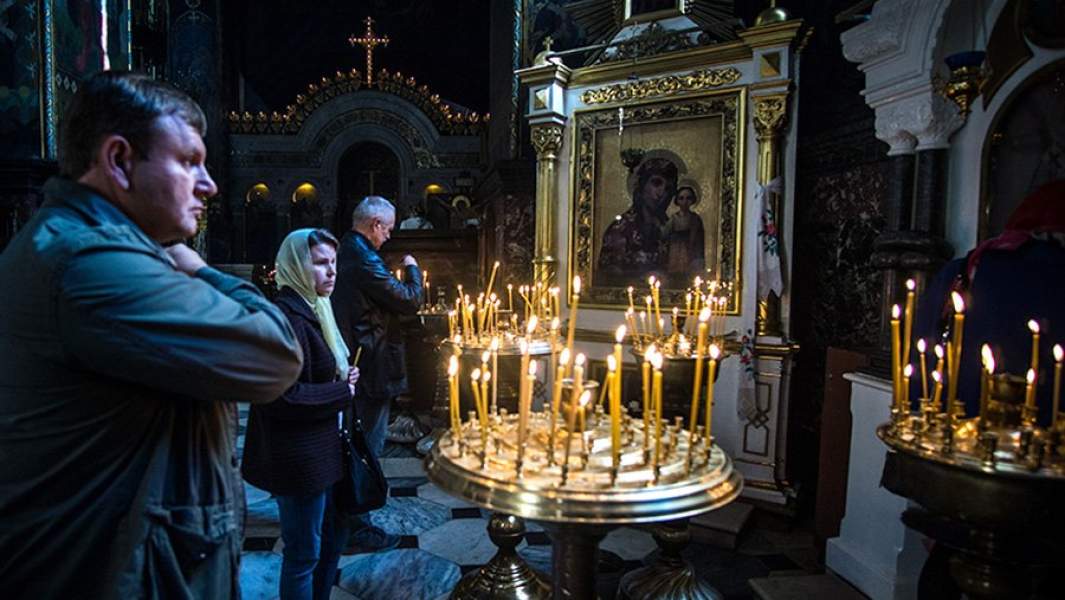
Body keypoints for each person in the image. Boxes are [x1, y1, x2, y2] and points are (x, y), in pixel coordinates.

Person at [0, 71, 304, 597]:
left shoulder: (94, 245)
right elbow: (276, 355)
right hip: (115, 571)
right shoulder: (90, 263)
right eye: (189, 161)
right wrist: (202, 271)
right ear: (119, 161)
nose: (208, 185)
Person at [242, 228, 359, 600]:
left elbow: (319, 369)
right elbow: (280, 397)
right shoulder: (286, 318)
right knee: (303, 554)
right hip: (298, 459)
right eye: (320, 263)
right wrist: (342, 390)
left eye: (333, 263)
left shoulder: (315, 307)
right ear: (294, 265)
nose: (331, 272)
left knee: (328, 541)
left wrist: (343, 373)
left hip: (323, 452)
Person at [912, 179, 1065, 425]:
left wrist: (917, 414)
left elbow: (921, 348)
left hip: (947, 421)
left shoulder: (965, 267)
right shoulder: (1053, 272)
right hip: (1033, 434)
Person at [331, 195, 423, 552]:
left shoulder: (351, 251)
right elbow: (408, 299)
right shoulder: (362, 256)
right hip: (370, 364)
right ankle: (356, 526)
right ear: (375, 225)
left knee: (363, 441)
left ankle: (351, 515)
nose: (389, 237)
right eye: (388, 229)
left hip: (364, 359)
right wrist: (413, 268)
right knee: (366, 445)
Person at [597, 157, 678, 287]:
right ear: (642, 185)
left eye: (668, 188)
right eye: (656, 183)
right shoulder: (620, 228)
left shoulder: (671, 227)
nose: (661, 192)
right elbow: (608, 277)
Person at [662, 183, 706, 286]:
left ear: (692, 200)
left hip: (690, 252)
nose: (684, 202)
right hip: (675, 253)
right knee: (675, 277)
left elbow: (699, 241)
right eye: (681, 198)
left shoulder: (695, 219)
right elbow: (664, 235)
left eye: (688, 198)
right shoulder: (674, 218)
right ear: (677, 200)